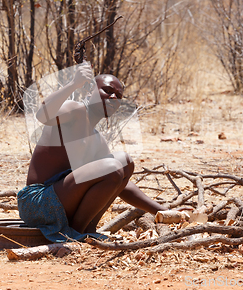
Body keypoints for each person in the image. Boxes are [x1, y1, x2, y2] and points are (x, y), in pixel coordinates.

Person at [17, 62, 166, 242]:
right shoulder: (75, 110)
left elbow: (120, 183)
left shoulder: (97, 139)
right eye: (107, 90)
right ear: (90, 91)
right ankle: (76, 235)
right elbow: (42, 115)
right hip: (37, 203)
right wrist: (73, 84)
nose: (113, 97)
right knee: (113, 165)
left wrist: (164, 211)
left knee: (124, 161)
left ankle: (85, 230)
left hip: (62, 200)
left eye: (118, 96)